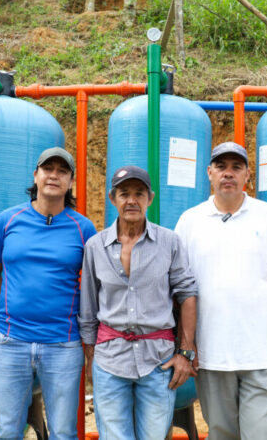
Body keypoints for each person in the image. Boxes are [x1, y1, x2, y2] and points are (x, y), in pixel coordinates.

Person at [174, 142, 267, 439]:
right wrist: (186, 344)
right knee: (222, 434)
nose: (228, 174)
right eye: (221, 167)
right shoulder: (189, 221)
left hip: (265, 354)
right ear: (209, 173)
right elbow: (181, 291)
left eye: (236, 167)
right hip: (211, 355)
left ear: (248, 174)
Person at [0, 147, 96, 440]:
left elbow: (94, 284)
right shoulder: (8, 220)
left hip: (63, 345)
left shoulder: (83, 228)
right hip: (11, 343)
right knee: (7, 432)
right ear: (36, 175)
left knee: (63, 432)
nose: (54, 175)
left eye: (62, 171)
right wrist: (15, 304)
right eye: (48, 169)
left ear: (70, 181)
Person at [79, 165, 198, 440]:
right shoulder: (95, 246)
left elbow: (187, 295)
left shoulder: (169, 242)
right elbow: (88, 307)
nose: (131, 200)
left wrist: (185, 353)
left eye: (138, 193)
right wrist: (91, 358)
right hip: (109, 360)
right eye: (124, 194)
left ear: (150, 198)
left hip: (158, 359)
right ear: (113, 198)